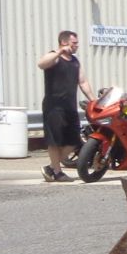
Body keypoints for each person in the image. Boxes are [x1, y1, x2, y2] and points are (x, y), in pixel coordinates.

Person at [36, 29, 92, 184]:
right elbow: (41, 63)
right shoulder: (54, 57)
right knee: (55, 140)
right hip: (54, 107)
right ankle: (58, 172)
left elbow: (83, 82)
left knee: (74, 140)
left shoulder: (75, 61)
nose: (77, 46)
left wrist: (93, 100)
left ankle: (52, 167)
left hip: (70, 107)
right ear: (64, 42)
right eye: (74, 43)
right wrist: (59, 52)